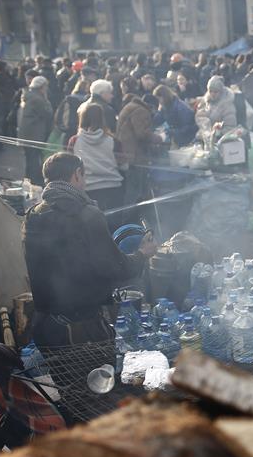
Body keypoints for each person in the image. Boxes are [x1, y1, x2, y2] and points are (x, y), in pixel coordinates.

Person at [22, 152, 156, 354]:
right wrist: (142, 254)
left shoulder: (32, 216)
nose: (84, 183)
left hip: (45, 328)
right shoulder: (87, 215)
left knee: (64, 384)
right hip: (81, 330)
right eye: (83, 177)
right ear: (76, 174)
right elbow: (114, 267)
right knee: (96, 383)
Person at [69, 104, 126, 217]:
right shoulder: (113, 141)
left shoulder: (74, 141)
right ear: (102, 118)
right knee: (114, 228)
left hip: (87, 190)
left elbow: (69, 167)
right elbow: (124, 166)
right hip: (113, 189)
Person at [116, 92, 162, 215]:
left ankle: (130, 218)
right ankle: (132, 221)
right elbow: (142, 133)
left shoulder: (131, 106)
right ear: (152, 106)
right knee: (135, 191)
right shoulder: (142, 111)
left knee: (132, 190)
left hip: (126, 153)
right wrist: (159, 138)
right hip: (135, 156)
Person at [18, 76, 53, 186]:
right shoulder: (37, 99)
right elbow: (47, 113)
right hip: (34, 133)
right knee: (34, 158)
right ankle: (34, 181)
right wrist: (47, 100)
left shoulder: (28, 95)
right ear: (41, 87)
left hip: (26, 132)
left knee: (29, 157)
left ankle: (28, 179)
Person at [195, 75, 238, 141]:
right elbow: (200, 115)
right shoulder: (206, 102)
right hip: (206, 138)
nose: (212, 94)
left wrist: (217, 133)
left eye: (215, 92)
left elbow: (230, 128)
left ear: (221, 92)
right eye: (210, 91)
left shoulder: (228, 106)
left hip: (220, 140)